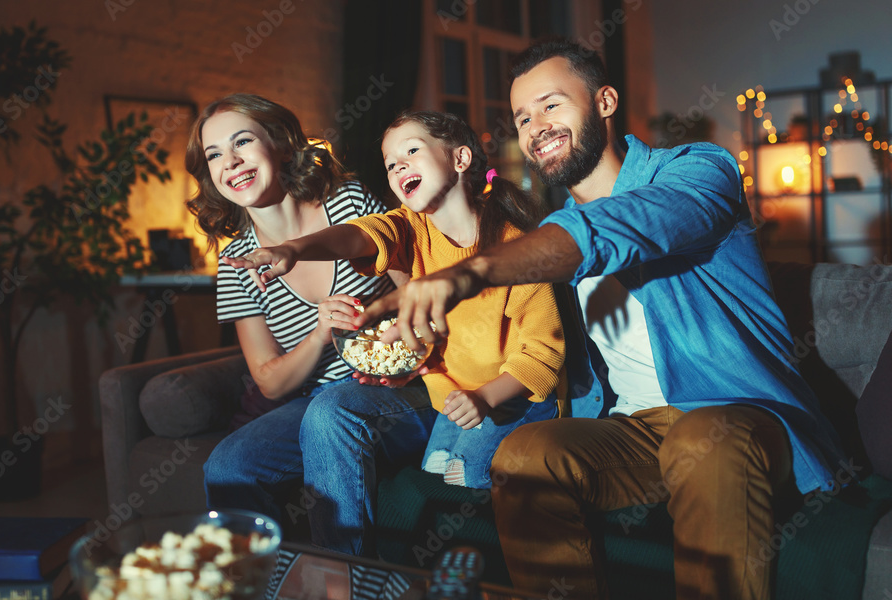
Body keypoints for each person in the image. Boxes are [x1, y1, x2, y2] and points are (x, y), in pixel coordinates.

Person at [356, 39, 847, 600]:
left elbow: (621, 229)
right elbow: (519, 330)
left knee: (701, 441)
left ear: (605, 102)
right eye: (522, 117)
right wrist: (412, 349)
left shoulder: (697, 171)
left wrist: (473, 271)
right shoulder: (555, 230)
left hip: (736, 416)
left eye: (551, 105)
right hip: (632, 428)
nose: (535, 126)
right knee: (524, 455)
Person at [223, 110, 567, 494]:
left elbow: (543, 353)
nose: (399, 166)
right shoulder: (410, 228)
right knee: (434, 474)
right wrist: (293, 250)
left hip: (513, 395)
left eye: (412, 151)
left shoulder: (513, 247)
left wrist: (485, 397)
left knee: (464, 477)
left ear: (460, 158)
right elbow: (361, 235)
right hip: (451, 398)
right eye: (390, 165)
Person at [189, 94, 433, 556]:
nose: (231, 161)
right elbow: (270, 380)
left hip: (400, 389)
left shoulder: (348, 204)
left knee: (330, 413)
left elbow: (420, 289)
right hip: (314, 400)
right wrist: (321, 335)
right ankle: (252, 584)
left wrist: (384, 329)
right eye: (215, 154)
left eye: (243, 141)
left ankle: (345, 581)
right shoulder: (235, 262)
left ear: (280, 144)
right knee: (226, 466)